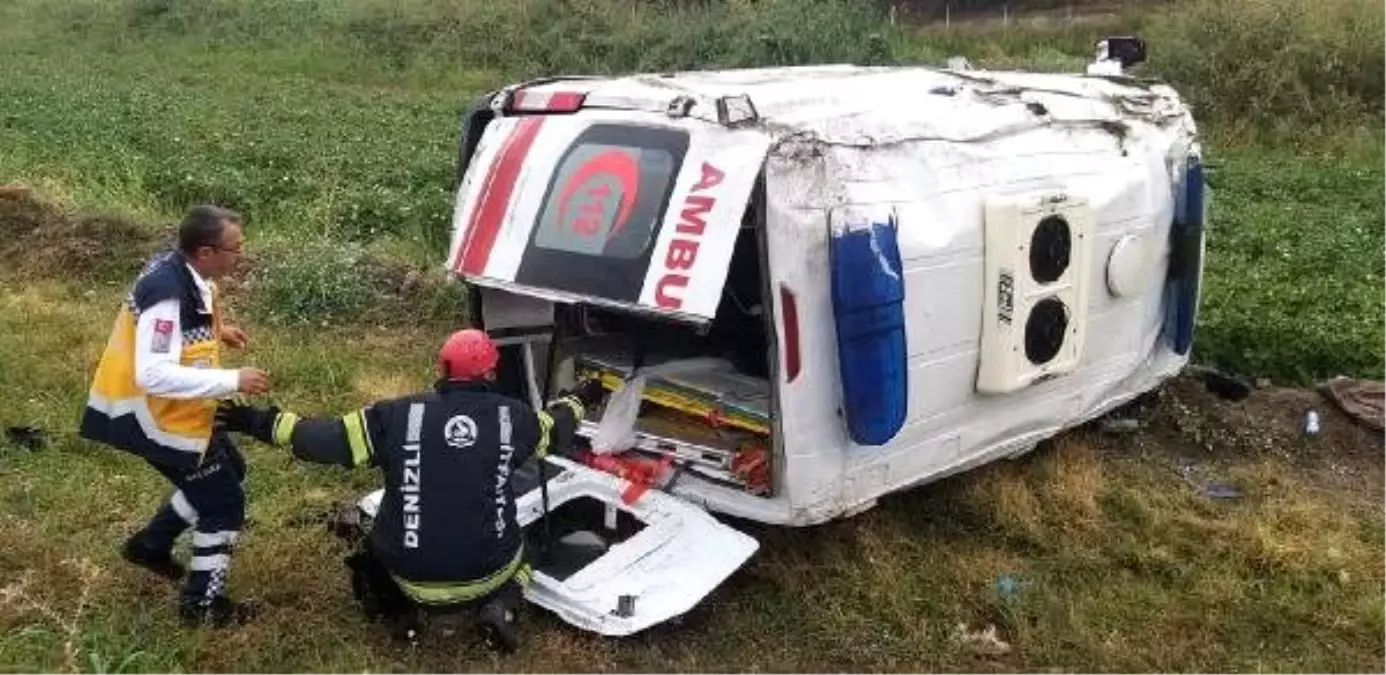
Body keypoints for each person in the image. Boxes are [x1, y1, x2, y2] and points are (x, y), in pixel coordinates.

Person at [216, 328, 606, 652]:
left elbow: (321, 438)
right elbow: (556, 429)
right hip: (487, 571)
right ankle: (501, 606)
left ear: (441, 368)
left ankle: (401, 616)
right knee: (527, 548)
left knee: (372, 548)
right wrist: (582, 397)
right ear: (491, 374)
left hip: (407, 572)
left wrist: (248, 419)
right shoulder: (513, 418)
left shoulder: (396, 415)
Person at [79, 204, 271, 628]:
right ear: (205, 252)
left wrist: (217, 331)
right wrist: (232, 380)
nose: (242, 255)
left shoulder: (183, 271)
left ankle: (151, 544)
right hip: (154, 418)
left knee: (231, 470)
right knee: (224, 503)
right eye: (235, 248)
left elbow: (169, 326)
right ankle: (200, 607)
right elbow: (153, 373)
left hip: (179, 413)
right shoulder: (167, 291)